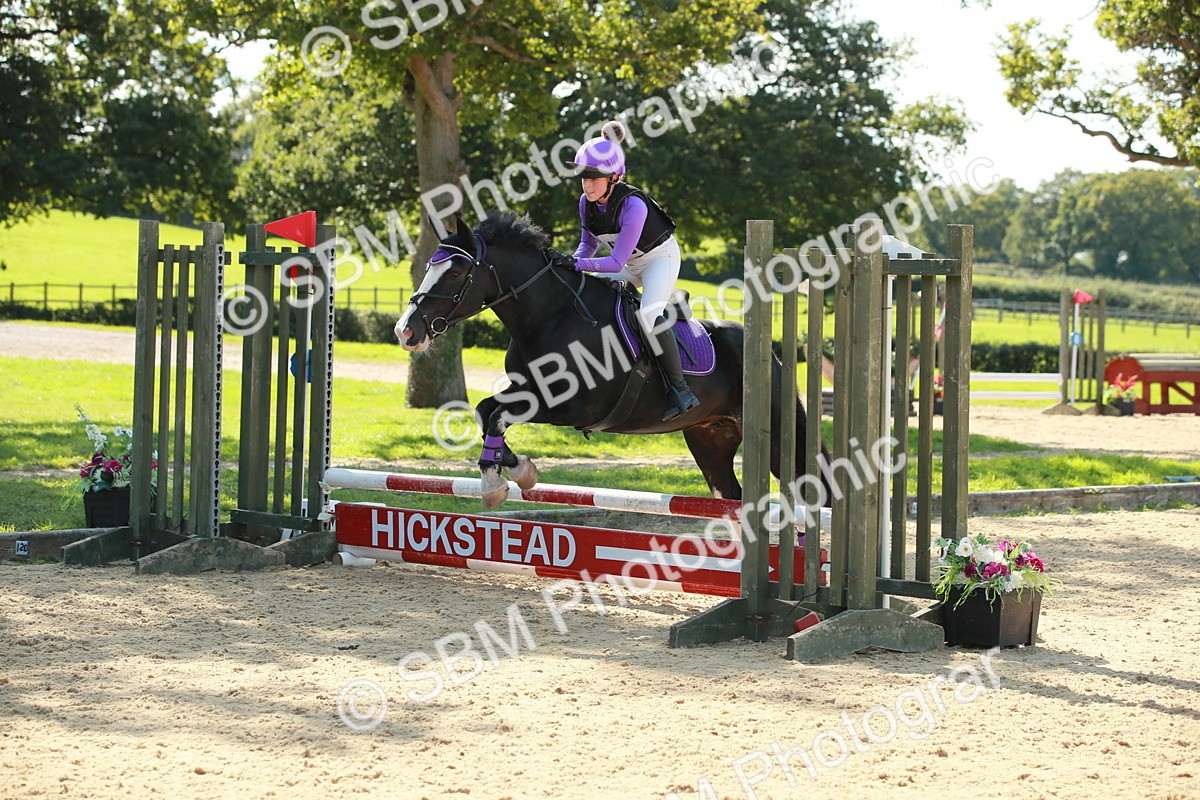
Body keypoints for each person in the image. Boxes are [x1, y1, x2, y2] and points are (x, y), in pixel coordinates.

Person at [561, 120, 700, 421]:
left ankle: (681, 390)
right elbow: (587, 248)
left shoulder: (633, 205)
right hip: (631, 265)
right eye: (584, 176)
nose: (587, 183)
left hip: (659, 260)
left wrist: (577, 265)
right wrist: (569, 265)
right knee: (589, 293)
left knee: (649, 314)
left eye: (595, 177)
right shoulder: (586, 203)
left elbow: (612, 263)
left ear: (615, 177)